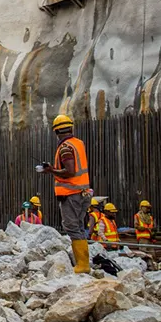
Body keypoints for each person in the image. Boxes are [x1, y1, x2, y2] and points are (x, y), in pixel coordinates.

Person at [38, 114, 92, 274]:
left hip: (71, 194)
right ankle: (83, 263)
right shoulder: (78, 143)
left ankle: (82, 265)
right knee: (79, 226)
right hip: (83, 192)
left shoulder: (65, 148)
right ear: (71, 127)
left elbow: (69, 171)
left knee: (72, 227)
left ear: (56, 132)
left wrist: (51, 170)